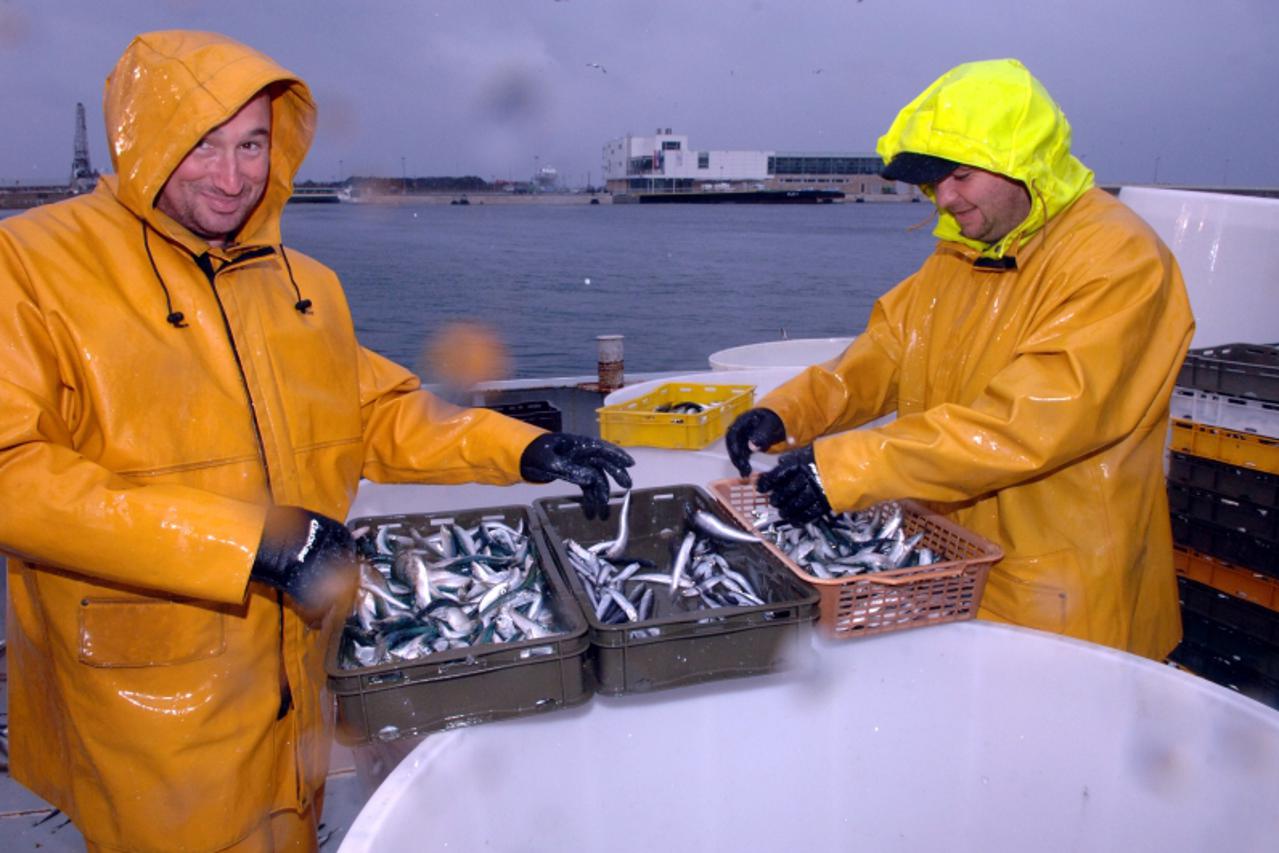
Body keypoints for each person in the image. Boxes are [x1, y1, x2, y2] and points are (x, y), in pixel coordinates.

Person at [0, 30, 632, 851]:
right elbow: (14, 471)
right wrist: (248, 543)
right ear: (143, 139)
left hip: (298, 675)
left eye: (252, 145)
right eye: (202, 146)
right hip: (149, 702)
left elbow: (375, 412)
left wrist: (524, 449)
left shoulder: (300, 283)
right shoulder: (31, 264)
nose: (233, 178)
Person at [727, 58, 1193, 662]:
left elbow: (1029, 423)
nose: (945, 199)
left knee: (1063, 740)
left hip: (1067, 585)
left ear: (1023, 162)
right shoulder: (965, 253)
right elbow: (885, 354)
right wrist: (786, 415)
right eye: (933, 183)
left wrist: (843, 470)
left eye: (962, 177)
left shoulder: (1120, 260)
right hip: (951, 562)